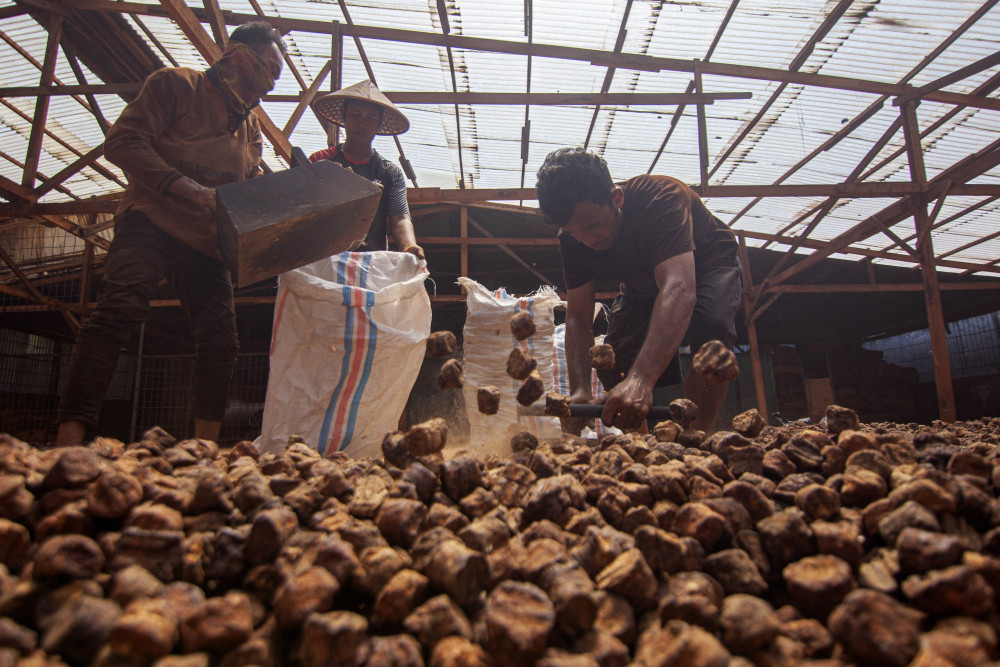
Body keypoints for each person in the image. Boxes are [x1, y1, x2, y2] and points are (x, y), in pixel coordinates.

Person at [55, 22, 286, 446]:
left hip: (207, 242)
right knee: (119, 308)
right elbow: (124, 143)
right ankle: (70, 437)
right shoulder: (177, 85)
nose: (270, 84)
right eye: (268, 69)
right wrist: (188, 188)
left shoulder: (251, 126)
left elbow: (248, 189)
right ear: (239, 57)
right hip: (152, 217)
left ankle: (205, 447)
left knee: (220, 342)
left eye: (277, 76)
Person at [536, 148, 741, 434]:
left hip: (705, 264)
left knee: (711, 325)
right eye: (575, 232)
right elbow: (578, 317)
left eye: (594, 226)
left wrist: (642, 380)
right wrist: (580, 390)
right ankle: (640, 443)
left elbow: (680, 288)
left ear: (616, 199)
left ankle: (697, 436)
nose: (587, 240)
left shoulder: (662, 198)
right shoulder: (573, 240)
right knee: (612, 358)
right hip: (642, 282)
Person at [309, 80, 424, 259]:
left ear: (379, 123)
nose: (362, 123)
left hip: (370, 261)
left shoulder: (389, 172)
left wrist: (409, 245)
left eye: (370, 118)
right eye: (355, 115)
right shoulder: (320, 162)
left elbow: (399, 216)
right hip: (323, 259)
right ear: (343, 115)